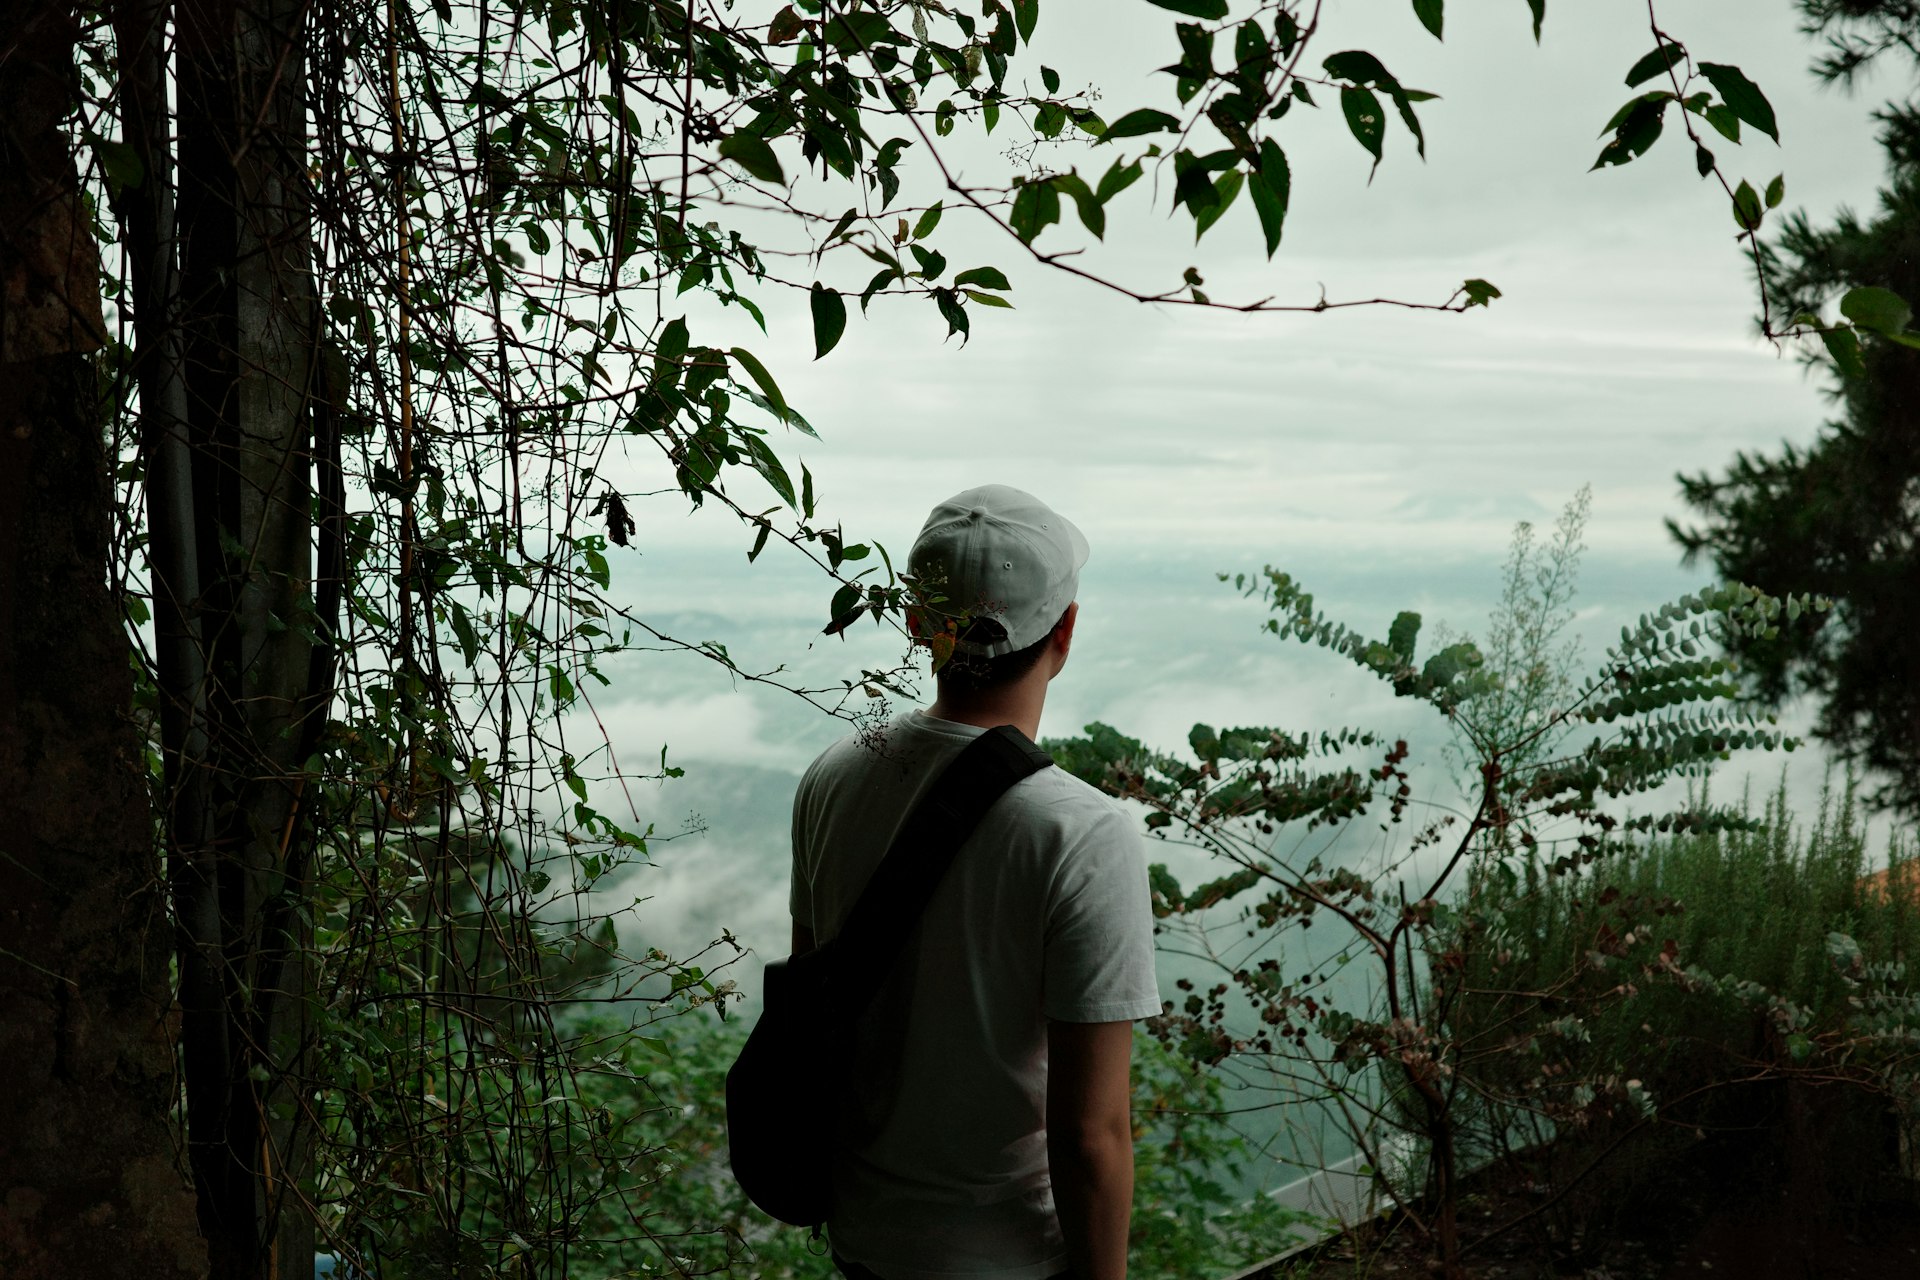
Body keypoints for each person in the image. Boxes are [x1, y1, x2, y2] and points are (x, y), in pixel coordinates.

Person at [789, 484, 1161, 1280]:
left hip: (864, 1240)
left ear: (919, 624)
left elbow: (813, 1011)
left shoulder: (831, 778)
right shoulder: (1081, 834)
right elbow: (1092, 1135)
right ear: (1065, 630)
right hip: (1006, 1257)